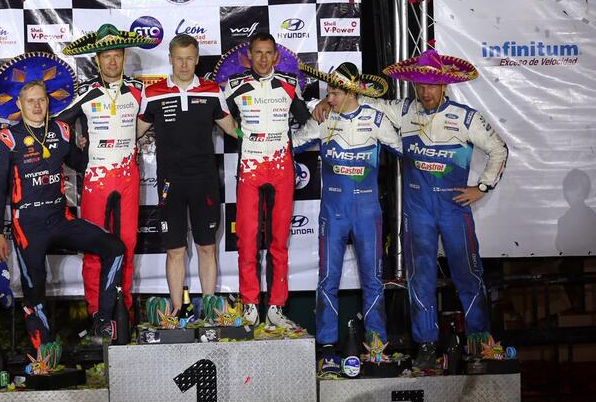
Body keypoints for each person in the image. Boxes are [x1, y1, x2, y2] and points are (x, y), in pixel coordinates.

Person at [313, 49, 509, 368]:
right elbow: (357, 100)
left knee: (468, 275)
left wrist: (482, 187)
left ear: (444, 85)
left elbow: (499, 149)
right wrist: (327, 101)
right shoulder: (403, 111)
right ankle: (426, 345)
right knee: (420, 278)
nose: (425, 91)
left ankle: (479, 342)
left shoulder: (465, 117)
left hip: (453, 209)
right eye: (420, 84)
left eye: (431, 85)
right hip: (418, 211)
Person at [0, 52, 126, 357]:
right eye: (31, 101)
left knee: (114, 248)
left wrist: (88, 147)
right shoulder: (7, 139)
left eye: (42, 100)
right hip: (28, 225)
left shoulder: (61, 131)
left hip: (60, 218)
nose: (37, 106)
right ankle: (45, 356)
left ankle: (103, 320)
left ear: (48, 102)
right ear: (20, 104)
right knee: (35, 288)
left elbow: (79, 164)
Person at [293, 63, 400, 369]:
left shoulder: (375, 118)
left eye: (335, 93)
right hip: (333, 212)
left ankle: (376, 345)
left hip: (367, 212)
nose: (329, 97)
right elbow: (291, 145)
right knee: (328, 279)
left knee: (373, 279)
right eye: (328, 92)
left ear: (352, 92)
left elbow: (406, 150)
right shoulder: (324, 119)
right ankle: (327, 346)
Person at [58, 24, 155, 324]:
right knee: (94, 247)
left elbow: (155, 117)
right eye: (106, 56)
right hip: (96, 179)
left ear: (124, 57)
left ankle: (123, 311)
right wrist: (78, 155)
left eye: (117, 55)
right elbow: (58, 125)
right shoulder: (87, 92)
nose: (112, 61)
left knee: (127, 244)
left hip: (127, 178)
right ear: (97, 60)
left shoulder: (138, 90)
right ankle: (96, 312)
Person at [137, 34, 237, 313]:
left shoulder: (212, 90)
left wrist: (266, 131)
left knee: (207, 247)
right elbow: (134, 132)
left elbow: (234, 129)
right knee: (175, 250)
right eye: (179, 59)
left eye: (189, 58)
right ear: (170, 59)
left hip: (204, 181)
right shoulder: (153, 92)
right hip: (170, 183)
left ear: (197, 59)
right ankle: (176, 311)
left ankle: (210, 310)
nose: (184, 64)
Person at [218, 32, 311, 328]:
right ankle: (249, 304)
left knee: (278, 242)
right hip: (251, 168)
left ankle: (276, 307)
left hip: (281, 168)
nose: (262, 58)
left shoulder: (289, 83)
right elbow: (219, 116)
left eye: (268, 53)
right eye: (257, 52)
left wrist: (320, 109)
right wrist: (239, 133)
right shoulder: (235, 85)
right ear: (249, 55)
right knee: (247, 240)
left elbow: (305, 118)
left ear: (276, 56)